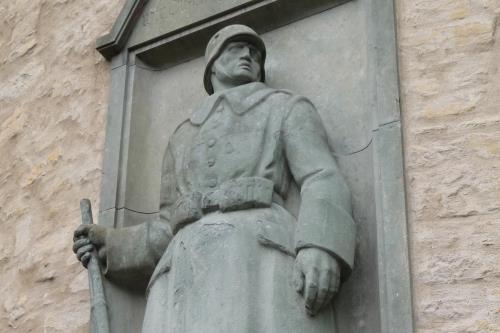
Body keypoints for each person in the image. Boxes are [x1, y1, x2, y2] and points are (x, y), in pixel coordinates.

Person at [73, 24, 356, 333]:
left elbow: (322, 176)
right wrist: (110, 246)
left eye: (254, 52)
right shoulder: (183, 135)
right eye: (235, 48)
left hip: (257, 254)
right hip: (186, 270)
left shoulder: (285, 108)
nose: (248, 54)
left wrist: (320, 246)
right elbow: (169, 226)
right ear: (212, 64)